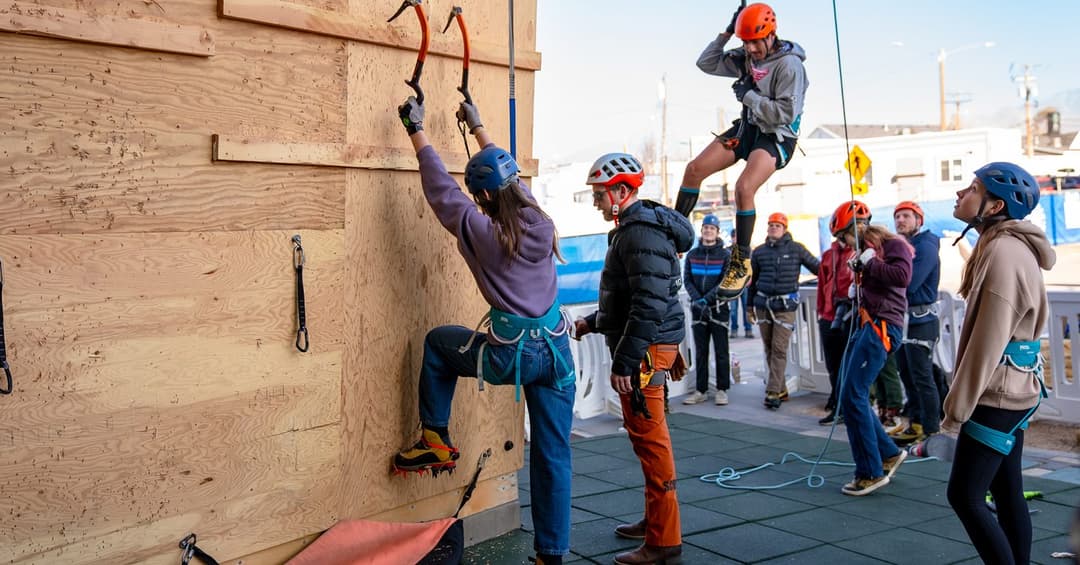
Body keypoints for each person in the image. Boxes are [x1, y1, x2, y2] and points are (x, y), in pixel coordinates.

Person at [391, 97, 575, 565]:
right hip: (556, 354)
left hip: (511, 356)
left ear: (486, 198)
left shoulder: (484, 233)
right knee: (553, 454)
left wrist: (417, 131)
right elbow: (506, 178)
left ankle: (435, 438)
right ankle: (550, 554)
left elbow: (442, 193)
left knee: (437, 344)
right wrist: (478, 125)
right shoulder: (539, 219)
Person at [574, 152, 693, 565]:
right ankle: (655, 520)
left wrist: (625, 362)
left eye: (599, 194)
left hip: (645, 351)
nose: (596, 202)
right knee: (649, 441)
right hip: (651, 344)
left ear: (621, 191)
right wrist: (594, 321)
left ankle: (663, 541)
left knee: (651, 441)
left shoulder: (638, 233)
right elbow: (632, 298)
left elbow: (648, 305)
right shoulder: (635, 229)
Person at [943, 162, 1055, 564]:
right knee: (1006, 490)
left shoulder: (1004, 253)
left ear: (993, 206)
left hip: (999, 393)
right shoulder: (999, 244)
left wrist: (956, 410)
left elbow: (986, 344)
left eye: (972, 187)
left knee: (965, 495)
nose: (961, 193)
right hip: (1014, 385)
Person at [675, 2, 808, 302]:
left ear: (771, 35)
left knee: (744, 187)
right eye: (745, 42)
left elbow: (784, 114)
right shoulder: (746, 56)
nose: (750, 49)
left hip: (776, 136)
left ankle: (741, 260)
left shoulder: (789, 66)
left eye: (755, 42)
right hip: (748, 128)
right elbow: (706, 63)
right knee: (693, 170)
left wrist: (748, 95)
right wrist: (726, 32)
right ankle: (675, 234)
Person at [832, 200, 912, 496]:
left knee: (853, 393)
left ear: (857, 229)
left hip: (882, 327)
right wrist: (860, 283)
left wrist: (870, 263)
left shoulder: (894, 245)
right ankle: (888, 453)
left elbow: (902, 277)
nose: (843, 244)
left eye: (844, 237)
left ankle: (870, 470)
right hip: (870, 324)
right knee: (848, 392)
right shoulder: (869, 252)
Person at [747, 212, 818, 409]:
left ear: (785, 229)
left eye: (777, 225)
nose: (773, 228)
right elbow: (752, 282)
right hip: (763, 306)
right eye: (770, 225)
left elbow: (817, 267)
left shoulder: (796, 249)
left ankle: (772, 391)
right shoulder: (759, 252)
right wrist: (749, 306)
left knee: (779, 348)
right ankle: (781, 388)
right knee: (769, 348)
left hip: (785, 307)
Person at [890, 201, 943, 445]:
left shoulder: (926, 247)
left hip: (921, 320)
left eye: (906, 216)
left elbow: (909, 283)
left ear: (919, 220)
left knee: (922, 377)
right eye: (898, 216)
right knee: (908, 375)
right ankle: (917, 422)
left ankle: (931, 429)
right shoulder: (905, 246)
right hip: (904, 319)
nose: (900, 220)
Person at [683, 214, 732, 406]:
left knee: (722, 351)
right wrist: (697, 299)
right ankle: (700, 390)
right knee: (701, 351)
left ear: (717, 232)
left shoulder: (725, 255)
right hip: (698, 309)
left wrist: (707, 299)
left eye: (712, 228)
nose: (708, 231)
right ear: (701, 231)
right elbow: (687, 279)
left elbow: (725, 281)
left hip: (718, 308)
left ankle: (722, 389)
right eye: (705, 228)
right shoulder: (692, 255)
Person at [816, 210, 855, 425]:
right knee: (834, 365)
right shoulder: (828, 255)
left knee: (850, 366)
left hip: (850, 317)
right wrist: (821, 312)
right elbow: (823, 284)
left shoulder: (861, 253)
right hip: (830, 317)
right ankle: (838, 407)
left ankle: (850, 408)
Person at [728, 229, 755, 338]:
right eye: (734, 237)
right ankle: (734, 329)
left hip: (745, 285)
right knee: (733, 310)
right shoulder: (727, 251)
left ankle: (748, 329)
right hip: (732, 286)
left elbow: (752, 267)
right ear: (732, 238)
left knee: (746, 308)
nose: (736, 239)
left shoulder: (748, 251)